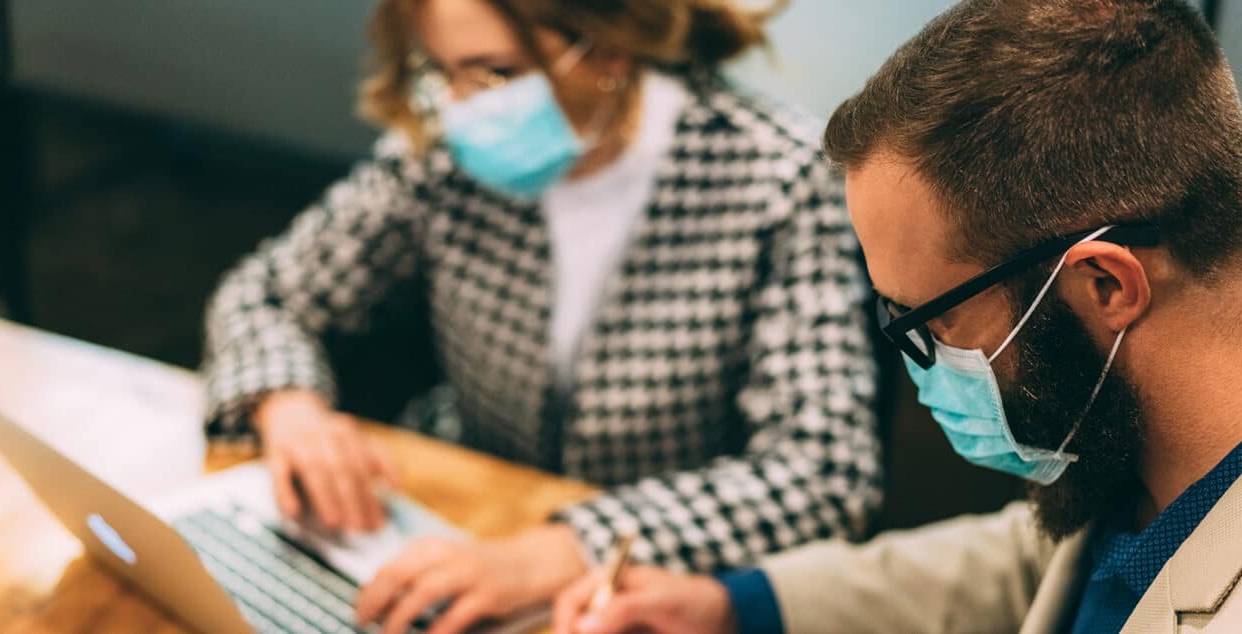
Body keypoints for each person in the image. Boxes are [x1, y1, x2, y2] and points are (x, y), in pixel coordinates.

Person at [552, 0, 1242, 632]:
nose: (926, 370)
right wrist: (733, 605)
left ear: (1106, 284)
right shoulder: (1145, 475)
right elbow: (1033, 563)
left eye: (931, 322)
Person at [201, 0, 884, 630]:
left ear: (611, 48)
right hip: (452, 514)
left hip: (647, 574)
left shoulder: (778, 176)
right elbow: (264, 292)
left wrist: (570, 546)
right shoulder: (445, 153)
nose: (464, 106)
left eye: (495, 74)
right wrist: (286, 404)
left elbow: (826, 471)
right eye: (443, 72)